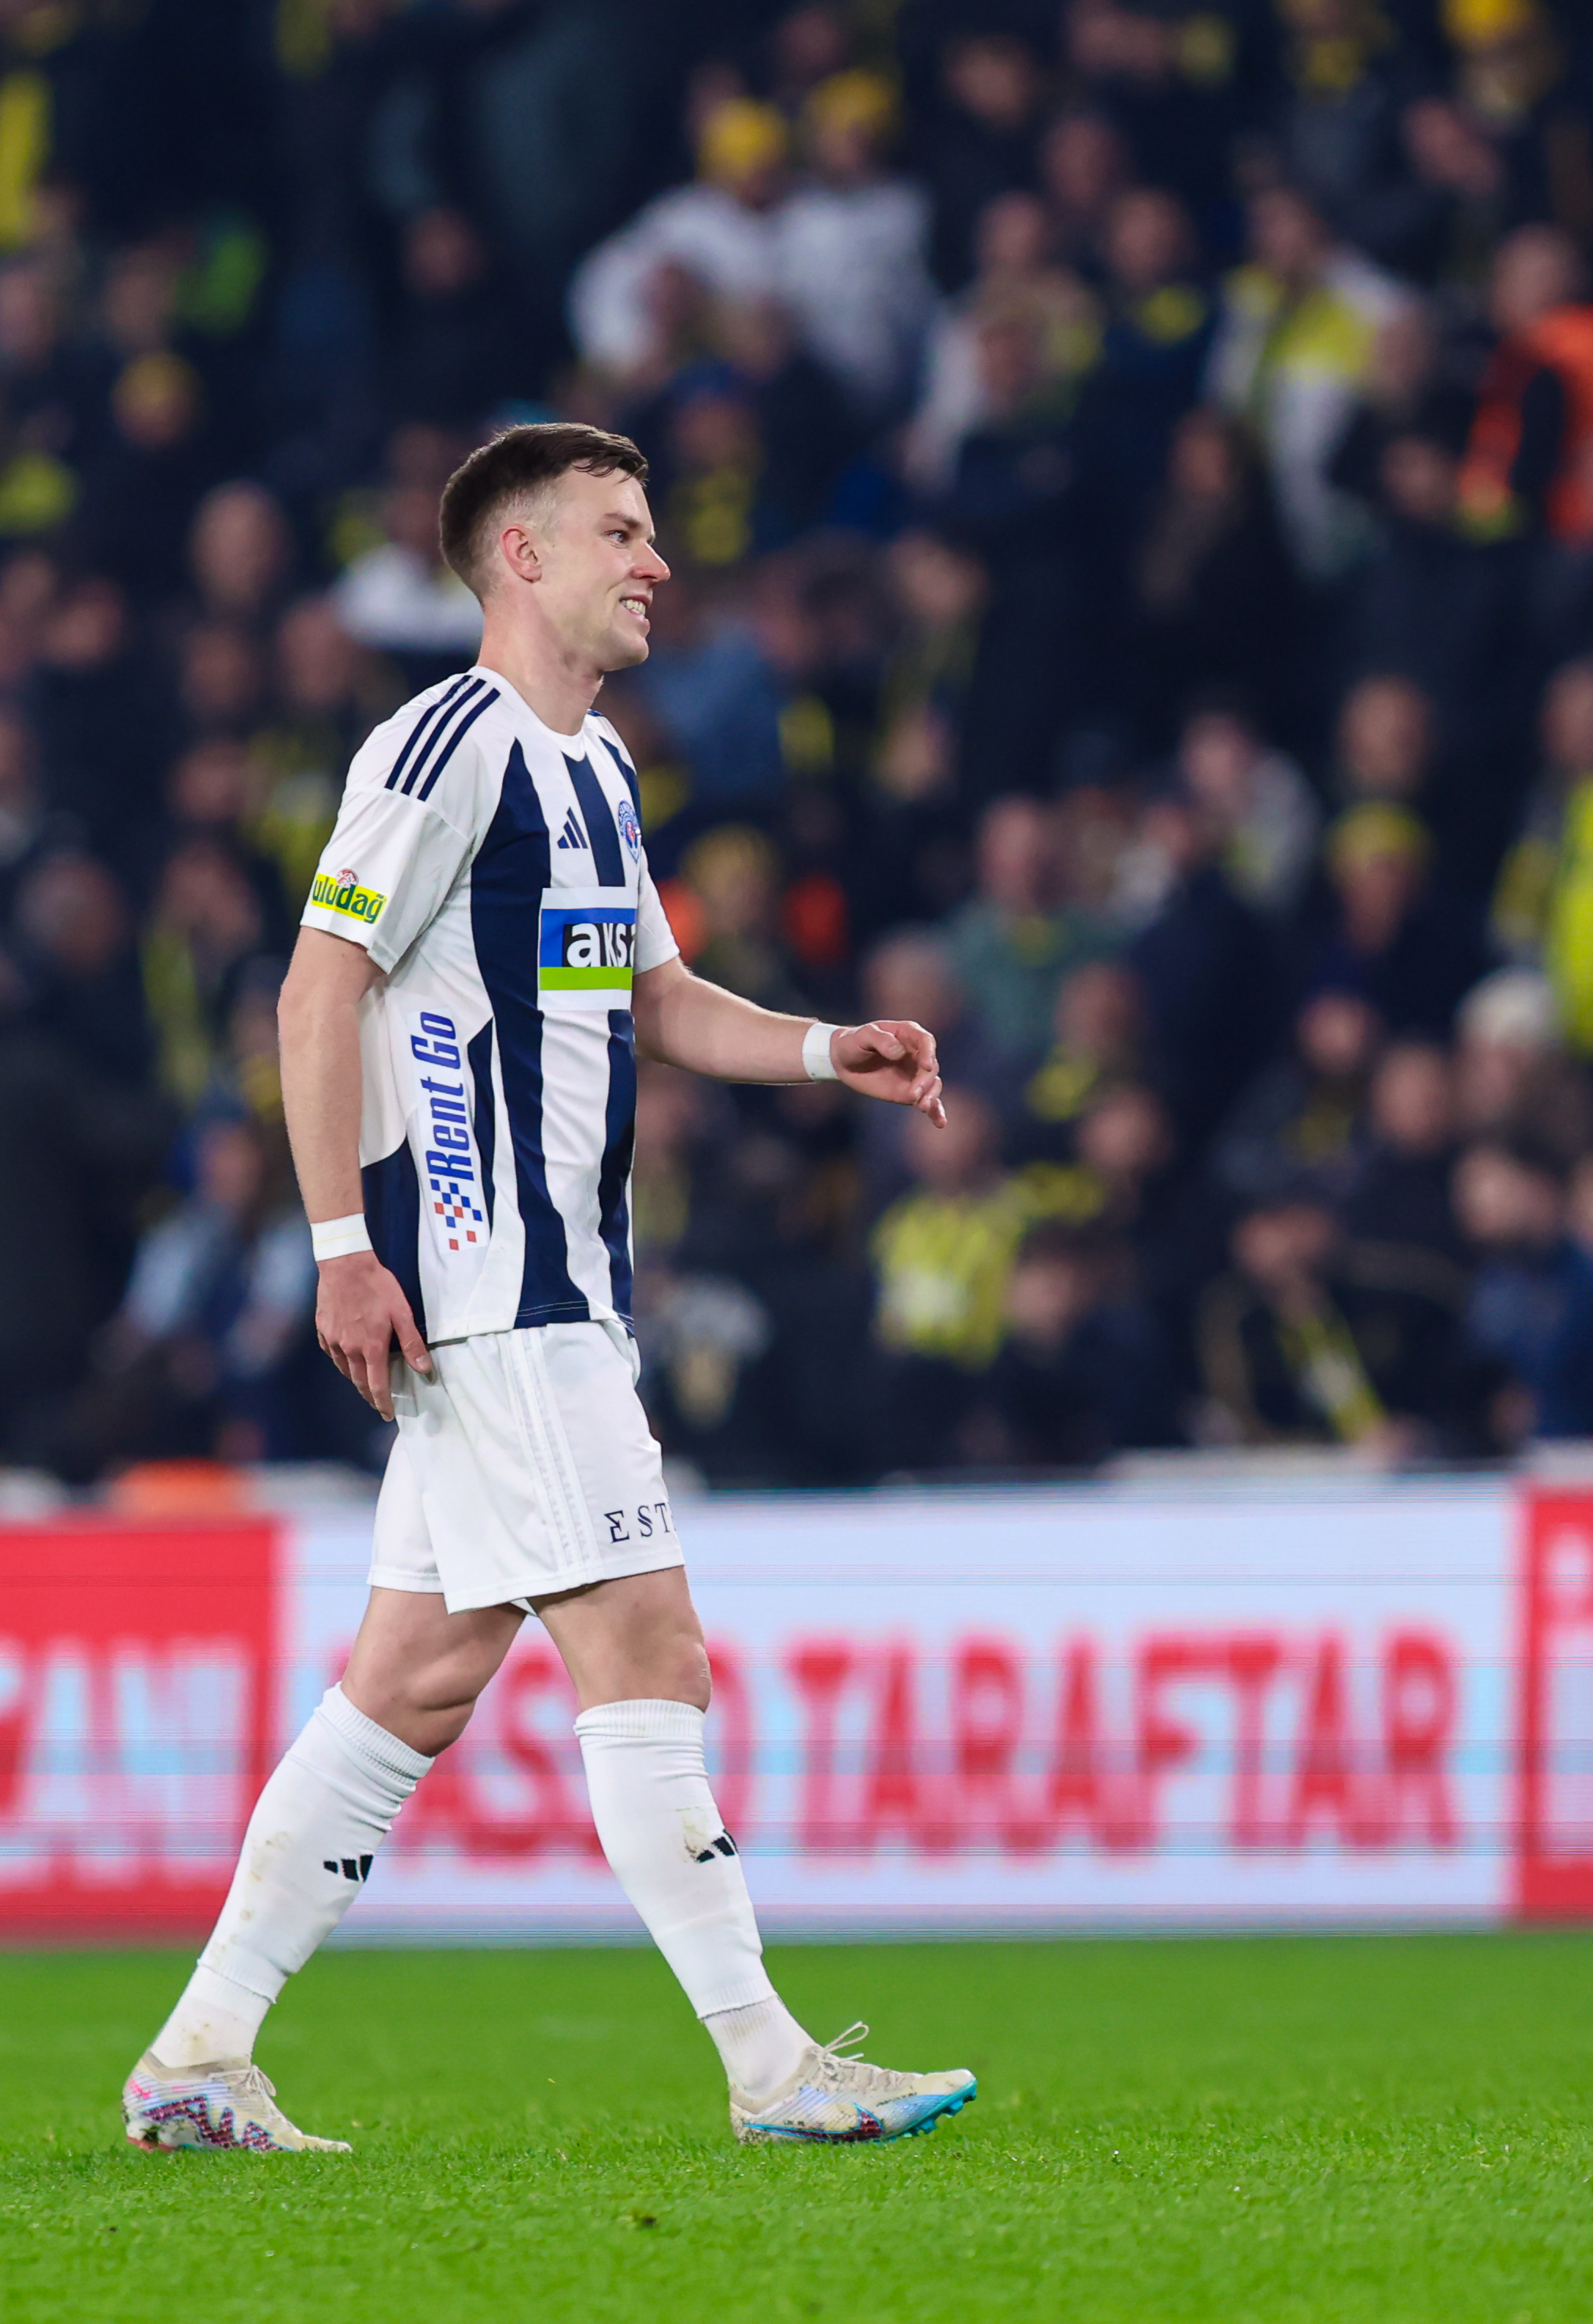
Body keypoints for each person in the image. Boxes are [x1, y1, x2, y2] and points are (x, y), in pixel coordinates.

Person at [122, 423, 976, 2155]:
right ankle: (770, 2064)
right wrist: (341, 1249)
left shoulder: (601, 770)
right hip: (493, 1288)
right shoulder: (442, 744)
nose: (656, 562)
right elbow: (315, 990)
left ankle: (196, 2060)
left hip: (553, 1293)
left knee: (413, 1682)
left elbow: (654, 998)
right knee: (650, 1646)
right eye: (621, 532)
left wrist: (828, 1048)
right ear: (520, 555)